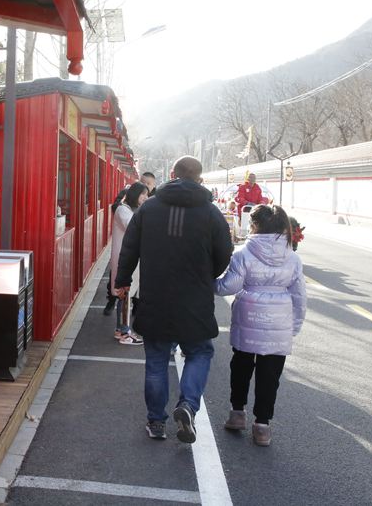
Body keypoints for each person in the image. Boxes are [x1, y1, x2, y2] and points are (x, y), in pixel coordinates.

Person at [115, 156, 233, 443]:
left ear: (172, 173)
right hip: (195, 299)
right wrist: (206, 274)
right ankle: (188, 405)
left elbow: (130, 246)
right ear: (200, 178)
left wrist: (123, 280)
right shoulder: (210, 212)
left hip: (156, 296)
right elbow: (224, 253)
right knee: (200, 352)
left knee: (156, 360)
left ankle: (156, 422)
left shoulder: (150, 207)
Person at [215, 204, 306, 446]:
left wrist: (209, 282)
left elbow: (229, 287)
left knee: (241, 366)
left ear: (254, 225)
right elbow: (299, 296)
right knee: (270, 375)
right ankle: (262, 426)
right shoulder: (293, 258)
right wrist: (294, 326)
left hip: (248, 316)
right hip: (279, 321)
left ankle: (237, 414)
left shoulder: (243, 254)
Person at [110, 182, 148, 345]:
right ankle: (124, 333)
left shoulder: (129, 209)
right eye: (143, 194)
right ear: (134, 194)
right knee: (125, 294)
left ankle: (121, 330)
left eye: (147, 194)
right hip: (125, 258)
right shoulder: (123, 210)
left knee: (126, 294)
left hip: (128, 257)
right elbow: (135, 227)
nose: (145, 197)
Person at [103, 187, 130, 316]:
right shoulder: (126, 194)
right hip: (124, 249)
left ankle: (135, 305)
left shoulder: (150, 197)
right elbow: (115, 205)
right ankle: (111, 301)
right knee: (115, 276)